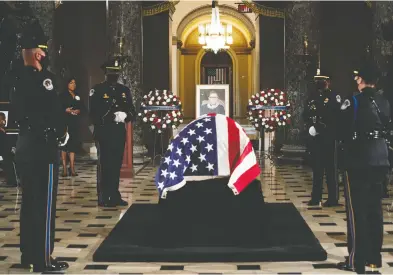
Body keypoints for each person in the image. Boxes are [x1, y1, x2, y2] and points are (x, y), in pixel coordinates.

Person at [11, 20, 69, 272]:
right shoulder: (44, 79)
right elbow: (52, 111)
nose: (45, 56)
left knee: (29, 204)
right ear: (38, 53)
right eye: (44, 52)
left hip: (25, 146)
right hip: (43, 148)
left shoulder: (14, 77)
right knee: (44, 205)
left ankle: (28, 255)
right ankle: (44, 259)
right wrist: (61, 133)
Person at [336, 64, 390, 274]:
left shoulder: (354, 100)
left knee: (357, 212)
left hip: (359, 160)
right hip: (380, 159)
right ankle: (374, 258)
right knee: (375, 210)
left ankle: (356, 261)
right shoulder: (384, 101)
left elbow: (342, 127)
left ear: (361, 80)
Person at [89, 58, 136, 207]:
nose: (114, 75)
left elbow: (132, 111)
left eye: (116, 72)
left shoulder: (124, 91)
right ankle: (103, 196)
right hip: (104, 131)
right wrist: (110, 116)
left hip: (118, 132)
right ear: (105, 73)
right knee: (105, 164)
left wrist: (125, 115)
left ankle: (114, 195)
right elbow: (93, 114)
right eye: (111, 72)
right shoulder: (98, 90)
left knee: (116, 164)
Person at [303, 73, 340, 207]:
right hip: (316, 138)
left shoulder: (334, 97)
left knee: (331, 169)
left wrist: (319, 127)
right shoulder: (312, 97)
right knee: (317, 169)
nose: (319, 84)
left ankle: (333, 198)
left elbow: (334, 116)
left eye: (322, 81)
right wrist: (310, 126)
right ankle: (316, 197)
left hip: (329, 137)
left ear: (328, 82)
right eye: (317, 82)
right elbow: (306, 114)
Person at [59, 77, 85, 177]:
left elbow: (82, 107)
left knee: (73, 145)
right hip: (65, 122)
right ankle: (65, 168)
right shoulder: (62, 95)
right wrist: (66, 110)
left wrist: (79, 110)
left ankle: (72, 168)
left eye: (74, 83)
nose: (73, 85)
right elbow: (58, 108)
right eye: (71, 83)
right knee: (64, 146)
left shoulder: (77, 95)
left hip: (74, 122)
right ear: (67, 84)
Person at [0, 112, 17, 187]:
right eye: (2, 119)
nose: (4, 121)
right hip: (5, 151)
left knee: (9, 161)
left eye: (3, 119)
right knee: (8, 161)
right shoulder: (1, 131)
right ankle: (11, 181)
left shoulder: (2, 130)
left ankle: (12, 180)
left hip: (5, 151)